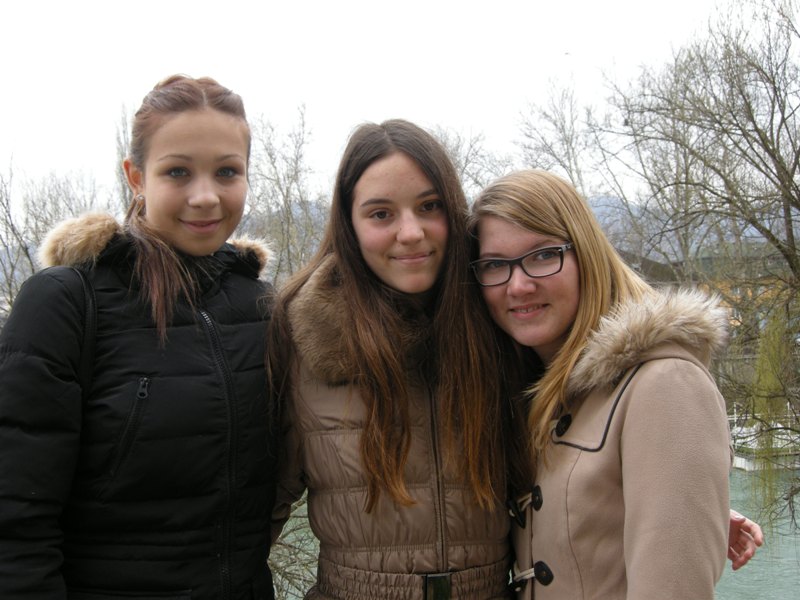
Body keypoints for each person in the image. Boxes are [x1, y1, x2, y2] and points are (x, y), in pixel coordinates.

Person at [0, 75, 277, 599]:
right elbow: (15, 523)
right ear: (136, 177)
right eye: (178, 172)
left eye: (227, 171)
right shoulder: (66, 303)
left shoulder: (260, 307)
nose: (205, 196)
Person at [268, 119, 514, 599]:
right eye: (381, 214)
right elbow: (256, 509)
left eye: (429, 206)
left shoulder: (498, 320)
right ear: (350, 225)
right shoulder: (302, 337)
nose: (411, 232)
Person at [469, 169, 737, 599]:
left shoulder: (666, 385)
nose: (518, 285)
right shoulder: (538, 391)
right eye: (495, 265)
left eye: (543, 255)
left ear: (586, 254)